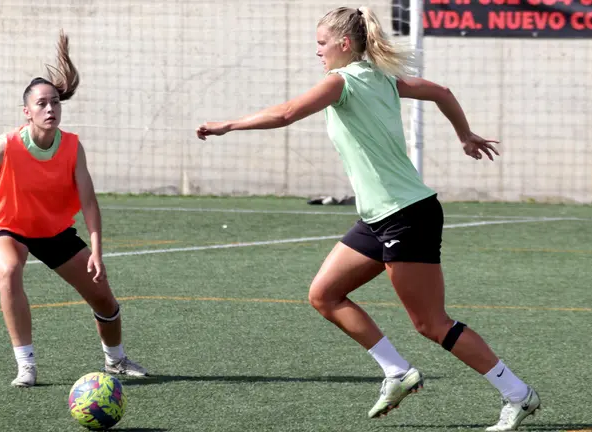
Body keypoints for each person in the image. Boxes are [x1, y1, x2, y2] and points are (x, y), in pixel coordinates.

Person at [195, 6, 539, 431]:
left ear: (344, 44)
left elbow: (286, 113)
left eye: (321, 43)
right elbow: (443, 92)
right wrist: (464, 134)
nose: (316, 51)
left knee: (432, 323)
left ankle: (518, 394)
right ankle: (398, 373)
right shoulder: (382, 79)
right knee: (325, 295)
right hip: (379, 218)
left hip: (406, 215)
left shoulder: (341, 82)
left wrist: (228, 124)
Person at [0, 30, 147, 387]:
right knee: (9, 271)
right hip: (8, 226)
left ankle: (116, 360)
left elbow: (90, 202)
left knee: (103, 297)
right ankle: (27, 366)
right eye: (42, 104)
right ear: (27, 111)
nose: (50, 109)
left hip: (54, 230)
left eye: (55, 103)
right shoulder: (6, 146)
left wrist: (96, 251)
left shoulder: (73, 147)